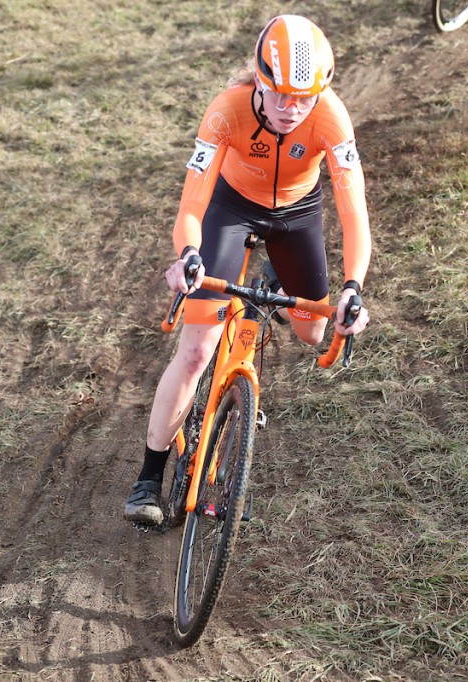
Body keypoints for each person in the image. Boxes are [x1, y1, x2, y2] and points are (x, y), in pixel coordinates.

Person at [124, 14, 372, 524]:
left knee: (314, 331)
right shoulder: (227, 110)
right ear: (258, 79)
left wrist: (353, 288)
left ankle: (274, 280)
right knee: (195, 351)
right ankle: (149, 476)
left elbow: (354, 214)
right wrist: (189, 255)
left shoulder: (332, 118)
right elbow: (192, 206)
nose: (289, 108)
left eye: (302, 98)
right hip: (230, 209)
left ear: (320, 91)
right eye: (277, 93)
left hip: (297, 214)